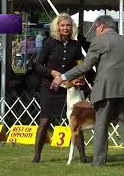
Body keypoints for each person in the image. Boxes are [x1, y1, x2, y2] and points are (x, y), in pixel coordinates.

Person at [50, 15, 124, 167]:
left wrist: (63, 77)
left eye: (95, 29)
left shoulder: (99, 41)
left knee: (101, 125)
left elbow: (85, 66)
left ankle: (99, 163)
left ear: (101, 27)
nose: (95, 32)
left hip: (106, 89)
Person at [32, 13, 88, 163]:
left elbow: (80, 66)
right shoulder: (49, 43)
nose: (65, 28)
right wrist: (52, 72)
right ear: (57, 27)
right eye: (62, 25)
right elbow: (37, 65)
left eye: (68, 25)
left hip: (69, 89)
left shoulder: (76, 45)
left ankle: (83, 157)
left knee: (76, 121)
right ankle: (37, 156)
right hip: (49, 88)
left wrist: (80, 77)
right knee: (44, 121)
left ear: (72, 27)